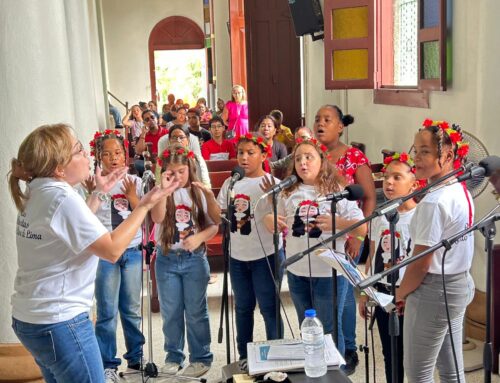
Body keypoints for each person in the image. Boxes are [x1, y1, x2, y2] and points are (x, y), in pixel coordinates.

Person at [9, 123, 179, 383]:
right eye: (78, 151)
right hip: (60, 322)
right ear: (58, 167)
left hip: (31, 319)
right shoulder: (61, 198)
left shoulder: (39, 190)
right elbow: (111, 250)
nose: (87, 155)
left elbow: (73, 229)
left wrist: (99, 192)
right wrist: (143, 206)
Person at [263, 137, 366, 357]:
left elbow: (362, 229)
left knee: (328, 329)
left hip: (328, 274)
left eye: (309, 157)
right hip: (296, 270)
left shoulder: (338, 190)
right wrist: (269, 219)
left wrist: (338, 223)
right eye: (298, 158)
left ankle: (332, 373)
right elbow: (275, 219)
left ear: (322, 160)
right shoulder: (288, 191)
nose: (303, 163)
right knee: (306, 329)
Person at [395, 119, 474, 382]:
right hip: (458, 284)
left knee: (418, 373)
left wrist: (401, 292)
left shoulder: (434, 202)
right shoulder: (459, 190)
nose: (415, 158)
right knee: (451, 369)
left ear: (448, 155)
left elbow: (421, 263)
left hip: (434, 290)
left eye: (425, 151)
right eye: (415, 150)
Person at [314, 104, 376, 372]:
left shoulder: (353, 156)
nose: (321, 123)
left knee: (345, 293)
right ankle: (323, 345)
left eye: (327, 119)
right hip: (317, 236)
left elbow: (369, 197)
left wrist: (358, 236)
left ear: (340, 126)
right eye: (317, 119)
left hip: (347, 233)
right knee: (325, 295)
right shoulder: (310, 155)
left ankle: (348, 348)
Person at [151, 143, 219, 378]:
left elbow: (213, 225)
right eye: (172, 172)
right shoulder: (160, 191)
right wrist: (164, 190)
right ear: (164, 172)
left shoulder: (198, 191)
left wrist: (199, 237)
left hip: (194, 260)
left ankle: (201, 356)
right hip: (167, 259)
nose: (177, 176)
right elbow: (157, 217)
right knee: (170, 311)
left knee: (196, 310)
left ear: (190, 169)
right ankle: (173, 355)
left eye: (182, 171)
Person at [216, 133, 284, 360]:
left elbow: (282, 219)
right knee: (243, 308)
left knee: (269, 308)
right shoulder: (231, 182)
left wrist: (272, 204)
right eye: (240, 153)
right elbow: (221, 213)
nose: (244, 158)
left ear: (264, 155)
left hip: (265, 256)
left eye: (251, 153)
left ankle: (276, 356)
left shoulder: (272, 184)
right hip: (237, 256)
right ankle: (244, 356)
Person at [88, 130, 146, 382]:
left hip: (132, 251)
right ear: (98, 157)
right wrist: (94, 192)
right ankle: (107, 363)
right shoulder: (94, 181)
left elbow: (142, 213)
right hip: (105, 255)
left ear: (126, 155)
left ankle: (136, 356)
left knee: (131, 308)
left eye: (118, 152)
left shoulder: (136, 180)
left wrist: (133, 197)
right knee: (107, 311)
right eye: (107, 153)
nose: (114, 158)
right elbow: (87, 217)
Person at [358, 152, 419, 383]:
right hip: (383, 291)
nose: (389, 183)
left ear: (414, 184)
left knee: (409, 353)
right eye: (386, 177)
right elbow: (372, 256)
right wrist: (365, 292)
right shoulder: (379, 216)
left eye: (397, 177)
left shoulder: (419, 216)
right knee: (389, 351)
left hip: (409, 293)